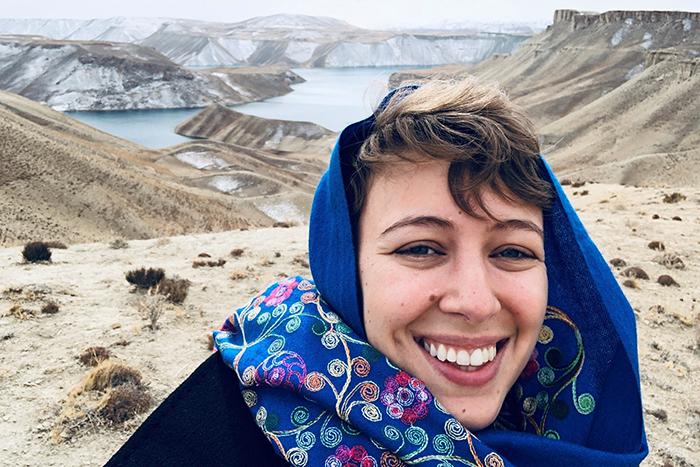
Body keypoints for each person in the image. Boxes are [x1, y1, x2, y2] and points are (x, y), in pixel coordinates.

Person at [106, 80, 647, 466]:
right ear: (345, 268)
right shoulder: (211, 444)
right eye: (421, 248)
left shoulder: (551, 413)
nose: (477, 303)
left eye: (512, 252)